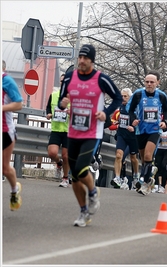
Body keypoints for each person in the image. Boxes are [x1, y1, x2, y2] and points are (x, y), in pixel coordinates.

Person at [58, 44, 122, 227]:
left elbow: (117, 97)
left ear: (92, 61)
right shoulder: (70, 77)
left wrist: (106, 113)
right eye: (80, 57)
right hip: (73, 131)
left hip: (93, 132)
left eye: (86, 58)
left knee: (80, 167)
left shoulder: (101, 79)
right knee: (75, 176)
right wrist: (63, 104)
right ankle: (83, 211)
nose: (82, 61)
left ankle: (93, 192)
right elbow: (62, 102)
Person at [127, 71, 167, 195]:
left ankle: (145, 183)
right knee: (143, 158)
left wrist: (165, 121)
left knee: (147, 155)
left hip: (155, 129)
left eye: (152, 82)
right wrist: (133, 120)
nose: (149, 84)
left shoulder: (161, 96)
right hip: (141, 129)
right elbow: (130, 110)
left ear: (158, 83)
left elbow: (166, 110)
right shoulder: (138, 94)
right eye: (147, 82)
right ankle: (150, 174)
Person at [2, 60, 23, 211]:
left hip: (5, 130)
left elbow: (19, 104)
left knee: (4, 169)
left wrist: (2, 107)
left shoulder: (6, 80)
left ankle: (14, 191)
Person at [110, 88, 139, 189]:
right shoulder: (120, 107)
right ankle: (117, 177)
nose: (123, 98)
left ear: (130, 97)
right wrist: (117, 123)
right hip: (122, 134)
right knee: (119, 155)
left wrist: (134, 127)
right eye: (121, 96)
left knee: (133, 158)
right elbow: (115, 120)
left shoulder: (136, 108)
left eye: (125, 96)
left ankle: (135, 177)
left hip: (133, 136)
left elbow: (142, 121)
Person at [46, 73, 70, 187]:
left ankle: (65, 178)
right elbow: (47, 108)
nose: (63, 83)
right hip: (56, 129)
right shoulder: (54, 95)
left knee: (66, 156)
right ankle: (58, 163)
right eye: (61, 81)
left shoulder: (73, 98)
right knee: (52, 153)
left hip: (68, 131)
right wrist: (48, 114)